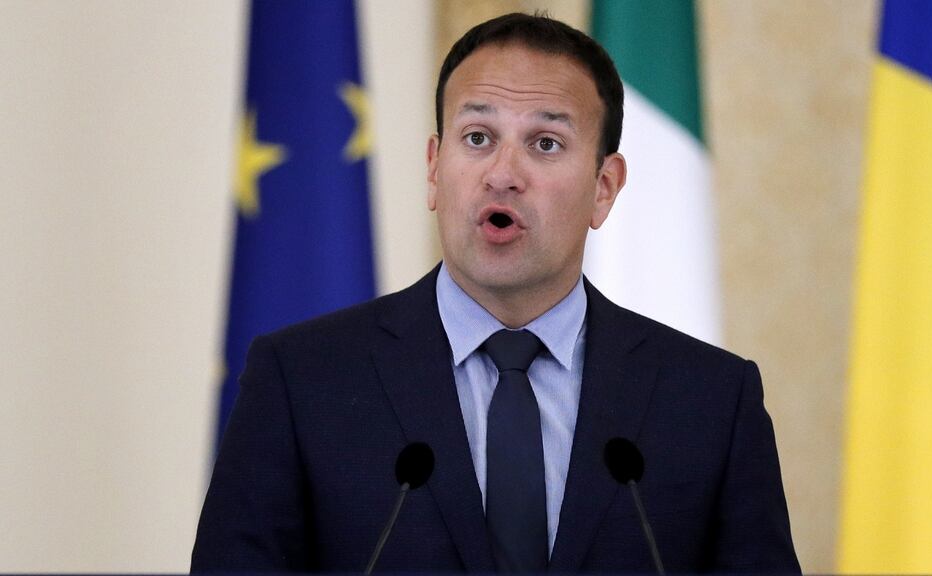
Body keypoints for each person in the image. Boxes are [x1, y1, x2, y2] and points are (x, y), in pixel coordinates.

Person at [192, 13, 800, 573]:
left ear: (604, 188)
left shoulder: (711, 402)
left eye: (545, 143)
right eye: (478, 137)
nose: (503, 173)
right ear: (435, 168)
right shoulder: (302, 382)